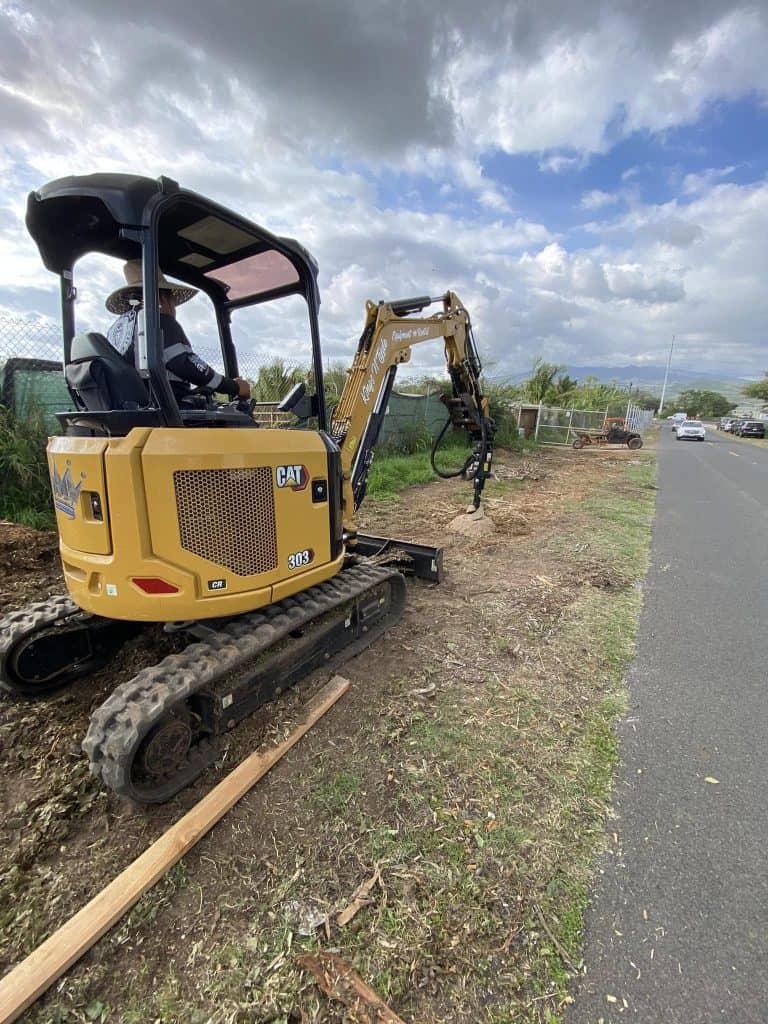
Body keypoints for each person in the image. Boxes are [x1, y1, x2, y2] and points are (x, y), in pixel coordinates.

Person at [105, 260, 250, 402]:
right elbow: (187, 365)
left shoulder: (117, 332)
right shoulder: (159, 321)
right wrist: (234, 386)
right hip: (164, 408)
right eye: (174, 303)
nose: (174, 310)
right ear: (163, 298)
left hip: (133, 406)